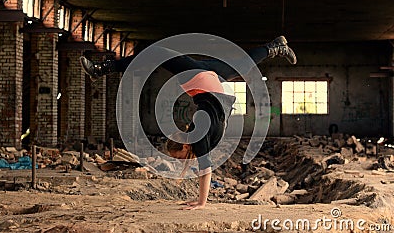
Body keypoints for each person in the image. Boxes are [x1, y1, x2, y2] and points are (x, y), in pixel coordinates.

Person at [80, 36, 296, 210]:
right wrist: (202, 203)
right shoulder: (199, 137)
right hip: (205, 85)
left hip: (218, 90)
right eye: (180, 156)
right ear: (185, 145)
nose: (182, 159)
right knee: (156, 53)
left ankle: (274, 47)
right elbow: (206, 171)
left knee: (239, 65)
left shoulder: (202, 137)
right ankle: (102, 69)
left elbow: (204, 166)